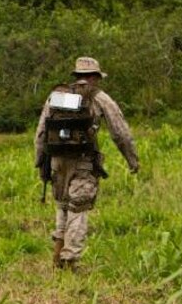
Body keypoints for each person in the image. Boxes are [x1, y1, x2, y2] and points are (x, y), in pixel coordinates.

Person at [34, 57, 139, 271]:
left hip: (57, 162)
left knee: (62, 206)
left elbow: (41, 133)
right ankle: (70, 262)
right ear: (94, 77)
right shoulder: (99, 97)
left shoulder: (57, 96)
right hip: (83, 162)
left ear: (77, 75)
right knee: (78, 209)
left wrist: (40, 163)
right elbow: (121, 133)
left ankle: (57, 258)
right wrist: (132, 160)